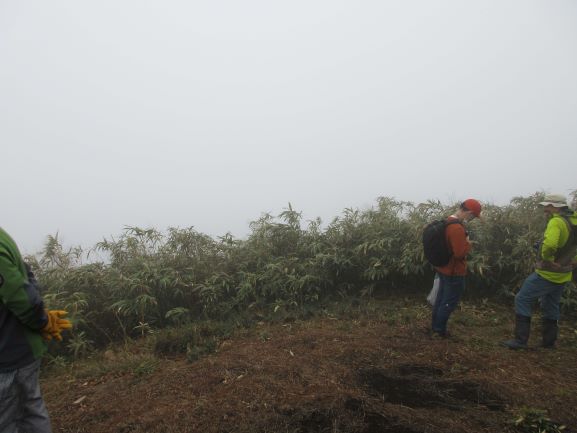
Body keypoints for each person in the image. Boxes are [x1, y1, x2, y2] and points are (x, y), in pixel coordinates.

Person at [0, 226, 72, 433]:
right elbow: (26, 274)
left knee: (11, 420)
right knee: (30, 411)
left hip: (9, 354)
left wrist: (42, 321)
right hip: (18, 349)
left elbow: (19, 295)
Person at [503, 194, 577, 350]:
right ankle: (549, 342)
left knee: (522, 299)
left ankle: (520, 340)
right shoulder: (574, 221)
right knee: (551, 304)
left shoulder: (556, 221)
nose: (545, 209)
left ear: (556, 207)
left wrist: (548, 259)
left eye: (548, 206)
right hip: (564, 273)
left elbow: (550, 245)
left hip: (547, 273)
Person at [431, 198, 482, 337]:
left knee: (441, 299)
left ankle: (435, 327)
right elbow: (459, 253)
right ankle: (439, 331)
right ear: (469, 213)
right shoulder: (457, 228)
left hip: (443, 268)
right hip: (453, 271)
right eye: (473, 216)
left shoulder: (447, 221)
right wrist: (468, 243)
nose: (472, 219)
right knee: (448, 301)